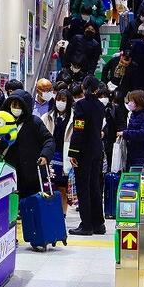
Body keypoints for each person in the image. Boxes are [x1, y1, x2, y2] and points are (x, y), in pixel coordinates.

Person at [0, 89, 55, 199]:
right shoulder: (2, 123)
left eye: (19, 106)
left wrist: (45, 155)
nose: (16, 108)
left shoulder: (34, 122)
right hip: (9, 174)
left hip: (31, 173)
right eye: (13, 105)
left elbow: (49, 140)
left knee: (30, 205)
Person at [67, 76, 106, 236]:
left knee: (83, 188)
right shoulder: (100, 106)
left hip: (83, 152)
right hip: (97, 150)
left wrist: (73, 152)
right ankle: (99, 224)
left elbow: (78, 129)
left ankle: (86, 225)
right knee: (95, 187)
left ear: (83, 88)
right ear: (97, 89)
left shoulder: (81, 106)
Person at [41, 89, 73, 215]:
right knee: (48, 185)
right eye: (58, 99)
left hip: (66, 156)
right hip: (50, 155)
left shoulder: (74, 118)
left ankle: (63, 214)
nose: (60, 102)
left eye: (64, 100)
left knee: (63, 188)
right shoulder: (47, 117)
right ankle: (49, 212)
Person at [117, 90, 144, 171]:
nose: (129, 103)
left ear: (139, 101)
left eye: (131, 101)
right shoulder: (133, 114)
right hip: (134, 153)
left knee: (143, 180)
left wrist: (125, 133)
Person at [98, 88, 125, 171]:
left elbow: (120, 123)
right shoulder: (94, 108)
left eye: (105, 96)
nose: (103, 98)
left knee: (111, 164)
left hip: (111, 141)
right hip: (97, 142)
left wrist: (120, 133)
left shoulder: (114, 108)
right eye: (100, 96)